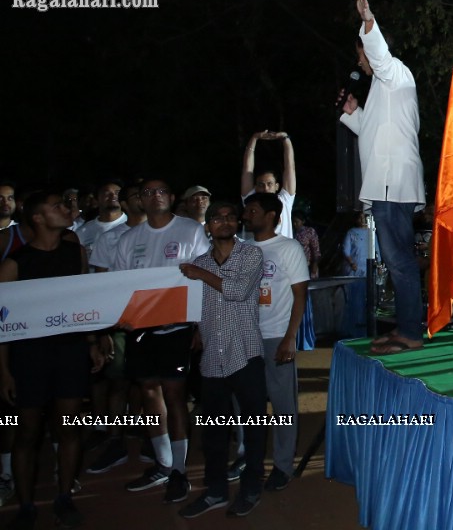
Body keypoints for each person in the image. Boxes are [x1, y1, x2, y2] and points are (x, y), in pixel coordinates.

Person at [0, 191, 107, 528]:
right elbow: (1, 323)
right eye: (57, 207)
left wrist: (91, 341)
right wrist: (3, 371)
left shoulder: (76, 253)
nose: (66, 210)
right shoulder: (14, 265)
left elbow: (83, 300)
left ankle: (64, 498)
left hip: (70, 352)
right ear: (37, 218)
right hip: (28, 357)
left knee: (70, 427)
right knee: (27, 432)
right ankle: (27, 504)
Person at [338, 0, 427, 353]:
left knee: (400, 260)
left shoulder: (393, 73)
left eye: (361, 54)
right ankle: (405, 327)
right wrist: (351, 113)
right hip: (387, 183)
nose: (360, 62)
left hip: (393, 183)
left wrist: (367, 21)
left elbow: (378, 53)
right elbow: (375, 132)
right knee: (397, 260)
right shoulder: (384, 88)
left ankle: (410, 333)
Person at [112, 178, 209, 501]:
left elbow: (203, 276)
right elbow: (121, 283)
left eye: (161, 191)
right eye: (147, 192)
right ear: (139, 199)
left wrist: (199, 325)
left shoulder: (190, 231)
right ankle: (164, 463)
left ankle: (180, 470)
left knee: (175, 394)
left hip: (177, 328)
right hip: (141, 330)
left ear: (171, 196)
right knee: (149, 391)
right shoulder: (129, 239)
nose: (155, 197)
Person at [177, 202, 267, 519]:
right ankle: (215, 490)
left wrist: (200, 274)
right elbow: (191, 307)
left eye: (230, 217)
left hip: (245, 352)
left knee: (254, 425)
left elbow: (238, 291)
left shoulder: (251, 255)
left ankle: (252, 486)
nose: (224, 222)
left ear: (237, 222)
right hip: (212, 357)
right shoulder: (198, 262)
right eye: (217, 218)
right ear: (208, 226)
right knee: (214, 432)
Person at [243, 192, 308, 492]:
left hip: (277, 337)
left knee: (283, 407)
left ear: (271, 216)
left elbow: (300, 295)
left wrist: (290, 338)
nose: (247, 215)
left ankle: (283, 465)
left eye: (253, 210)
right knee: (247, 404)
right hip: (246, 338)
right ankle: (249, 459)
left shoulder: (288, 247)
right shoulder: (242, 249)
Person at [241, 132, 297, 238]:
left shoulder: (285, 200)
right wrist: (254, 138)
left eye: (269, 184)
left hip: (282, 254)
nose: (265, 188)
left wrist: (285, 139)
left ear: (277, 186)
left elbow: (290, 167)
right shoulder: (250, 201)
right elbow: (247, 169)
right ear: (255, 187)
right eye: (261, 184)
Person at [292, 204, 321, 279]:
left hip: (308, 265)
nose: (294, 224)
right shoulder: (291, 232)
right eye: (293, 222)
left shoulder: (309, 231)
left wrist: (314, 264)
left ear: (303, 221)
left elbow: (316, 250)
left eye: (296, 222)